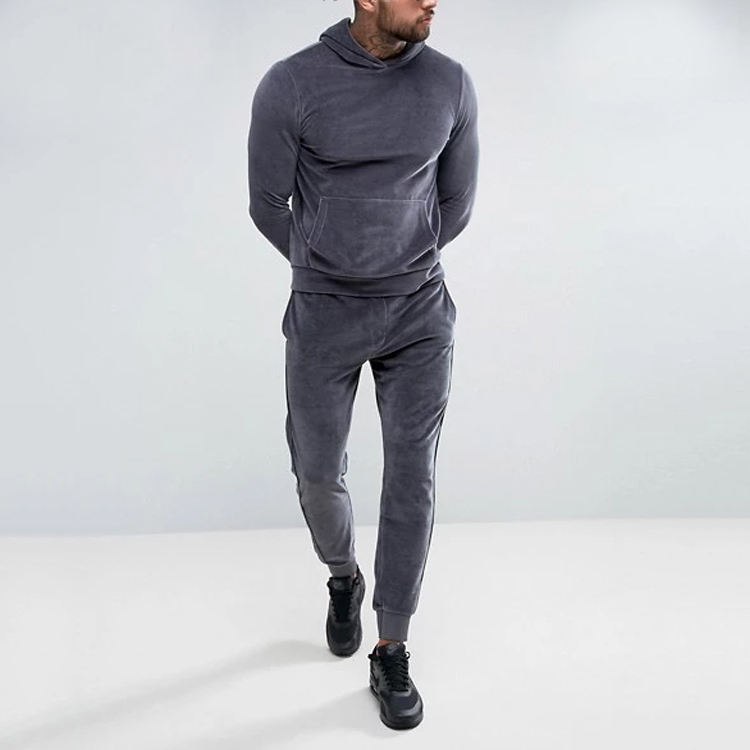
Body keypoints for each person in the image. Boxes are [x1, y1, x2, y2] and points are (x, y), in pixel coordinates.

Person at [247, 0, 479, 730]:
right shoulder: (292, 83)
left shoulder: (449, 82)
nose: (433, 1)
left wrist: (400, 258)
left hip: (418, 313)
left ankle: (391, 646)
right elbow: (266, 203)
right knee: (317, 472)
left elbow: (456, 201)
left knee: (412, 475)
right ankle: (343, 575)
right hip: (324, 312)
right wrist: (330, 262)